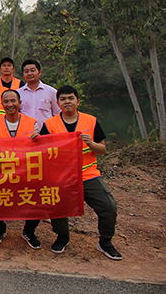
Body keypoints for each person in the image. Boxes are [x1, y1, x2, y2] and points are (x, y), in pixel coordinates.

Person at [40, 86, 122, 260]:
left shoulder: (90, 121)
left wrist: (91, 144)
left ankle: (105, 242)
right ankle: (62, 236)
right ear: (58, 103)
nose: (67, 102)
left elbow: (102, 150)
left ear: (78, 101)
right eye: (63, 99)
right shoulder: (50, 124)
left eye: (70, 98)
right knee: (57, 207)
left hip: (88, 174)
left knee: (108, 207)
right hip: (61, 176)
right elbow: (42, 151)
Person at [0, 89, 40, 249]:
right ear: (2, 104)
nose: (10, 104)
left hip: (26, 170)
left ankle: (29, 231)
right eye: (6, 101)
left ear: (19, 103)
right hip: (2, 171)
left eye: (13, 101)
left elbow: (40, 148)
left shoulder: (32, 123)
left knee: (37, 199)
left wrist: (39, 140)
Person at [18, 59, 60, 129]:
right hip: (25, 132)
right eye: (26, 71)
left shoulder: (51, 92)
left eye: (33, 70)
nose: (29, 73)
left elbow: (58, 114)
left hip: (47, 132)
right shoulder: (18, 93)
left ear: (40, 72)